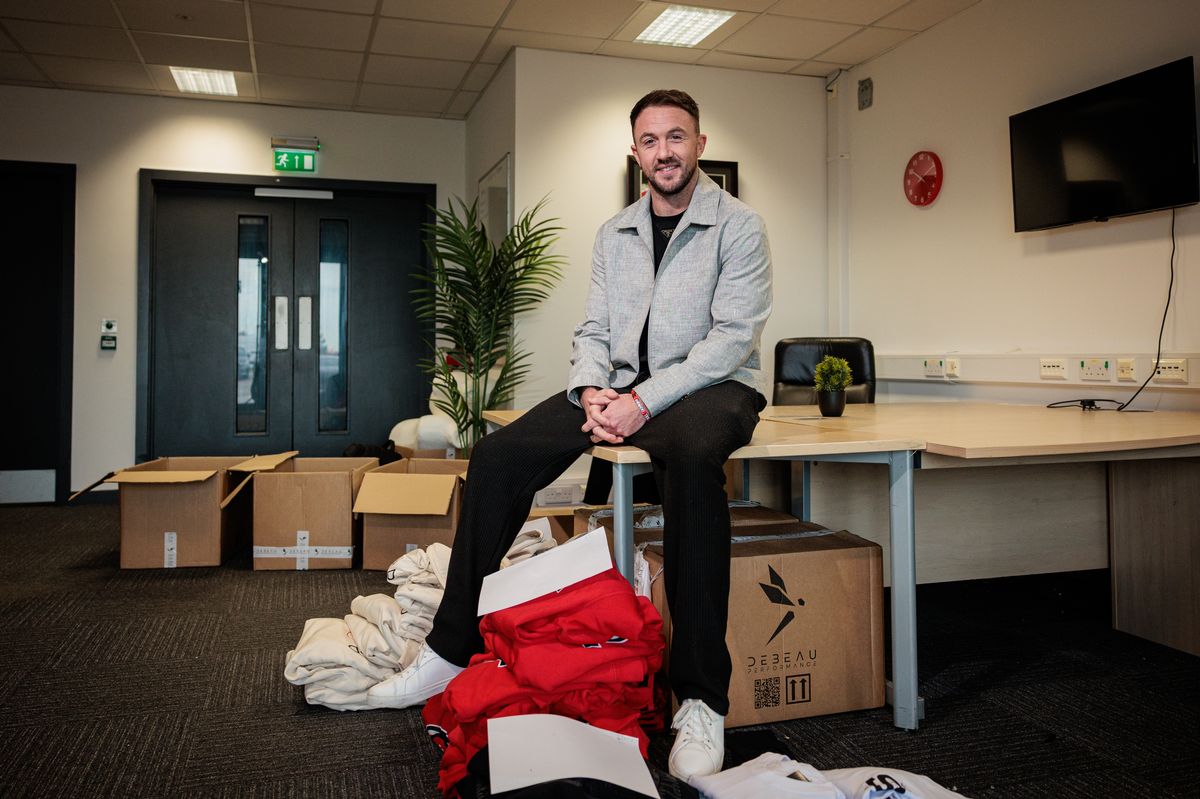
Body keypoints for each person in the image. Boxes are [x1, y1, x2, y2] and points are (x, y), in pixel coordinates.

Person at [368, 88, 773, 782]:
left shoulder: (739, 225)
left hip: (712, 387)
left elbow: (729, 339)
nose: (664, 151)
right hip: (616, 386)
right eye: (650, 140)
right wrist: (592, 391)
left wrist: (641, 403)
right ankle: (447, 643)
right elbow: (590, 330)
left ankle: (702, 698)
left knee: (695, 457)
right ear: (636, 152)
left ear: (700, 145)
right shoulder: (614, 232)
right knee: (497, 454)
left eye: (677, 137)